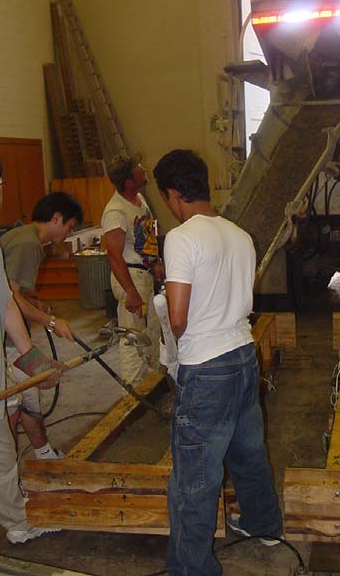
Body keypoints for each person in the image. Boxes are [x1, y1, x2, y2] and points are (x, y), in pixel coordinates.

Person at [153, 149, 283, 576]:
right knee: (248, 452)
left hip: (207, 368)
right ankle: (264, 525)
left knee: (193, 479)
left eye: (167, 200)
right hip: (245, 357)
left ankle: (192, 569)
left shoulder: (182, 238)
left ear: (174, 195)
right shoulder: (239, 234)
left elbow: (177, 317)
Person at [0, 167, 65, 543]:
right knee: (3, 452)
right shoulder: (22, 243)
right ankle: (19, 523)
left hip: (6, 352)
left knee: (7, 435)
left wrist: (35, 361)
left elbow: (8, 301)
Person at [0, 192, 83, 460]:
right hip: (6, 338)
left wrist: (35, 302)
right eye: (69, 226)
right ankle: (13, 471)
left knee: (25, 394)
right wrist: (50, 321)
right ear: (56, 218)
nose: (69, 233)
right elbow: (9, 298)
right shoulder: (30, 245)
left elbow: (11, 288)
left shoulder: (20, 236)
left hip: (8, 334)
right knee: (21, 396)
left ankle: (43, 453)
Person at [102, 155, 163, 383]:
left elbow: (146, 234)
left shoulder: (138, 200)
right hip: (130, 277)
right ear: (128, 181)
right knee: (132, 339)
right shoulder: (115, 212)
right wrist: (130, 292)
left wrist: (155, 261)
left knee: (151, 335)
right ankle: (131, 399)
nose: (143, 169)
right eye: (139, 168)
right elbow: (114, 257)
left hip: (143, 273)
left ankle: (150, 386)